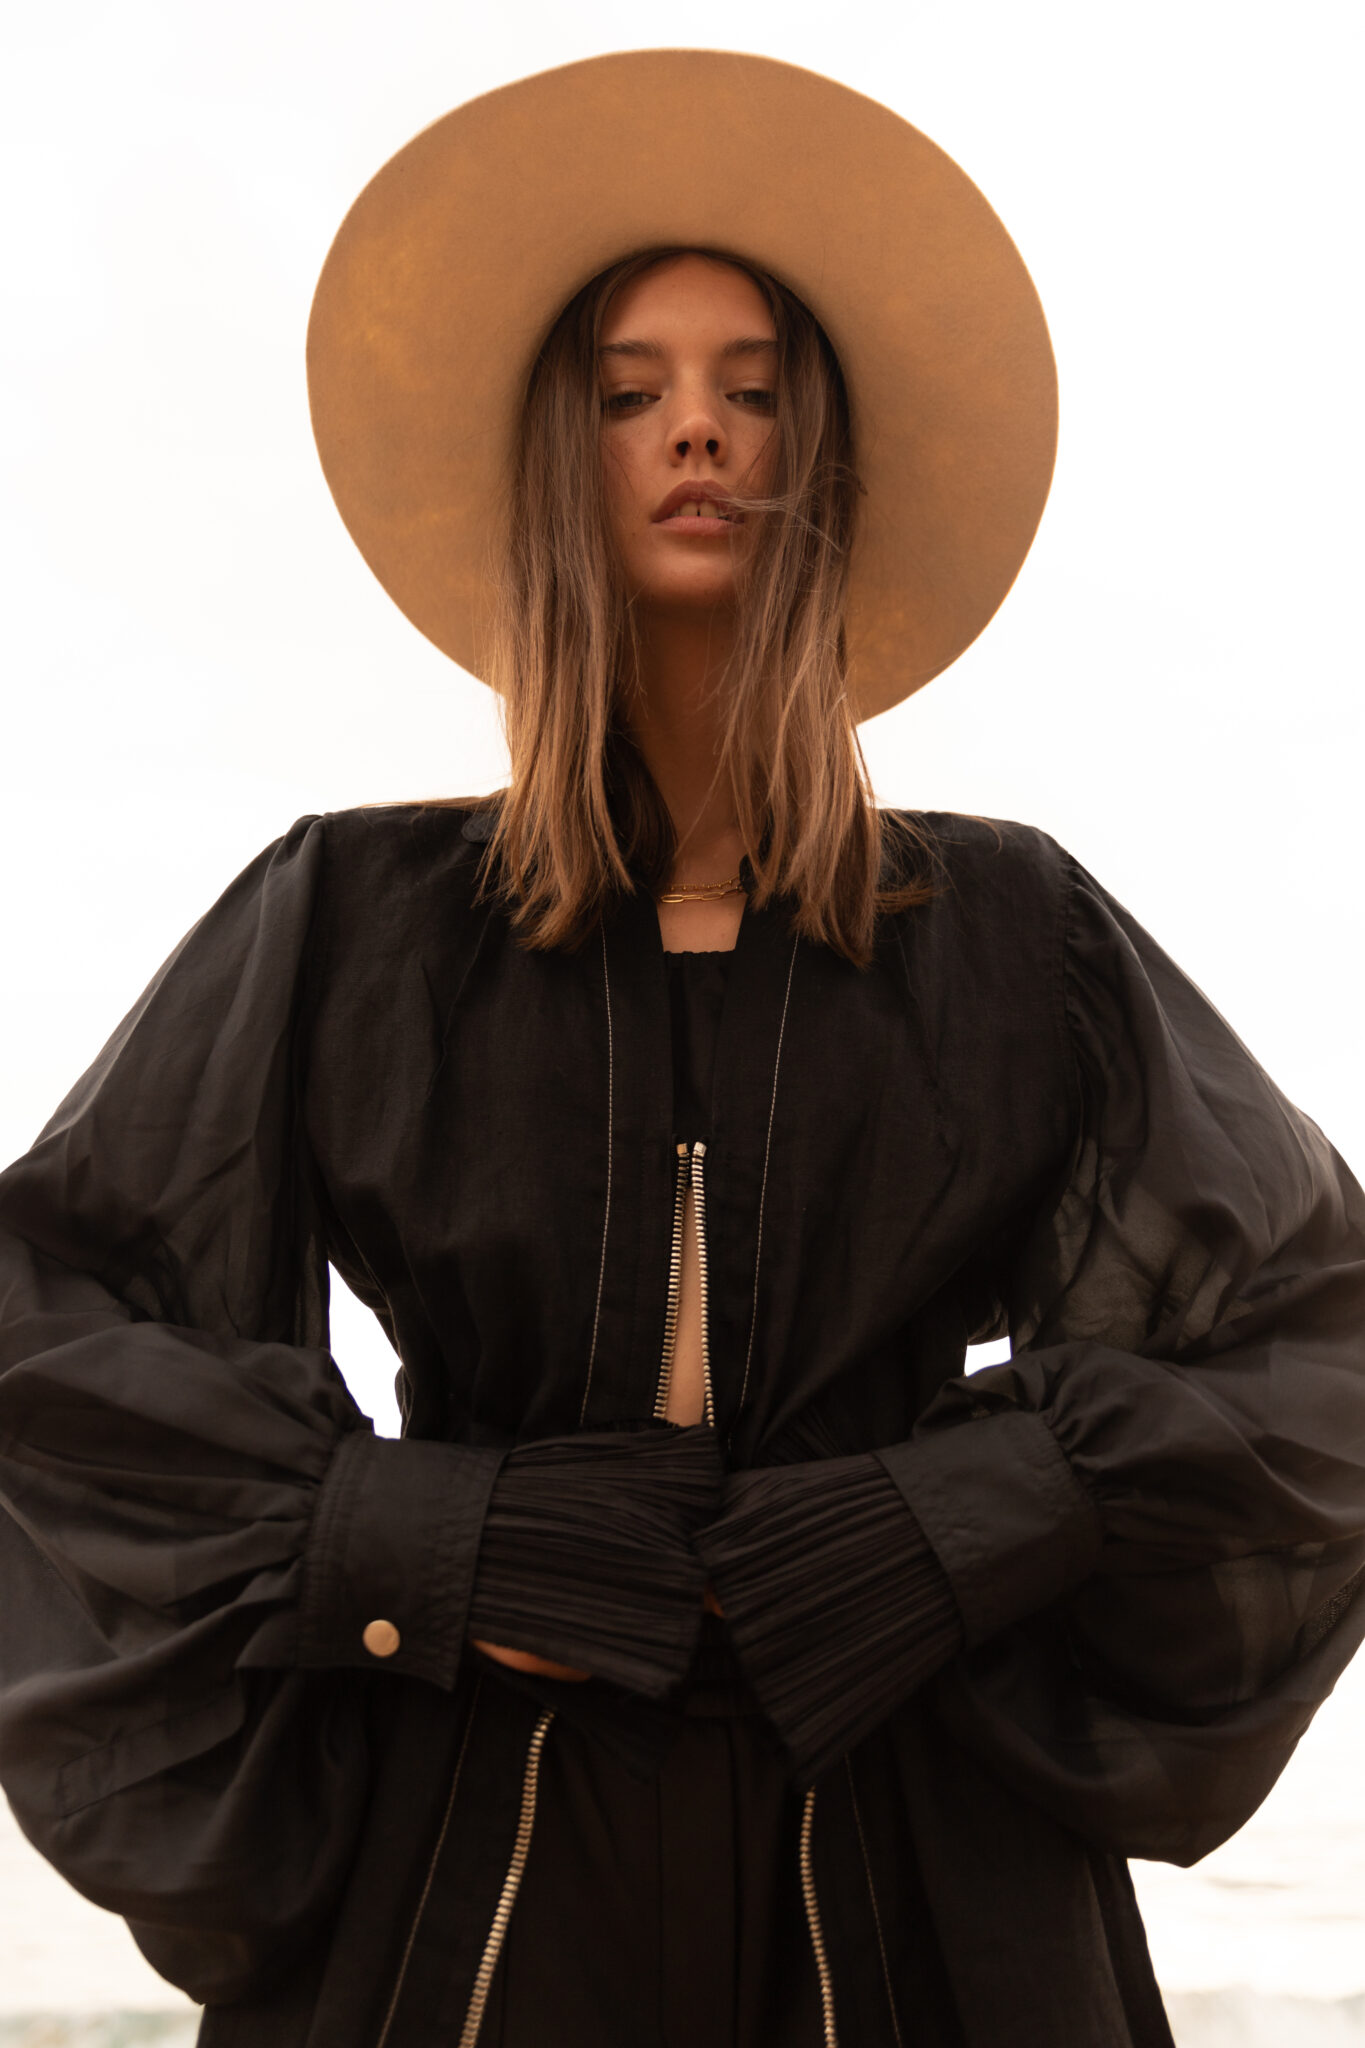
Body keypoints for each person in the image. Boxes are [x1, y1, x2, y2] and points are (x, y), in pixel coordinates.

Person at [1, 48, 1363, 2048]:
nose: (696, 431)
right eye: (629, 393)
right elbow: (48, 1324)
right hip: (463, 1880)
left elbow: (1318, 1341)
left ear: (821, 458)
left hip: (925, 1867)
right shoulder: (352, 912)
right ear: (559, 458)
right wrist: (424, 1540)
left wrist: (949, 1520)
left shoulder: (1015, 928)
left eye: (753, 390)